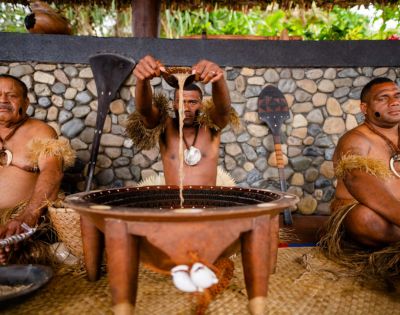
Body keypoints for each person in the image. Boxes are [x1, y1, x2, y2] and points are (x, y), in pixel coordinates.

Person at [319, 77, 400, 281]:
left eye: (397, 96)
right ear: (364, 108)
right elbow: (356, 178)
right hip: (369, 213)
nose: (395, 102)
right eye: (384, 98)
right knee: (365, 218)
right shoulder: (354, 139)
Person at [126, 55, 239, 186]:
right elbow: (145, 111)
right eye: (181, 102)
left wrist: (218, 79)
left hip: (208, 204)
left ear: (201, 104)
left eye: (192, 102)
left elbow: (223, 110)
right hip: (174, 204)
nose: (185, 108)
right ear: (174, 104)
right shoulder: (165, 127)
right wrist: (143, 80)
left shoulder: (211, 128)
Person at [0, 74, 75, 264]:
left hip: (21, 217)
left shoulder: (41, 131)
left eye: (11, 95)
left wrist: (29, 215)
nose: (3, 100)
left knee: (21, 252)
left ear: (25, 102)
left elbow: (53, 172)